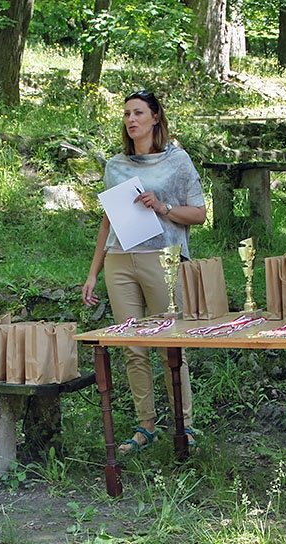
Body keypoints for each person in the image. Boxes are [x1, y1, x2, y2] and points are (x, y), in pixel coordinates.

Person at [82, 91, 207, 453]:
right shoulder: (115, 166)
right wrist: (93, 272)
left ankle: (185, 424)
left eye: (138, 113)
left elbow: (199, 214)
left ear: (155, 117)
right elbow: (107, 222)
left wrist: (163, 206)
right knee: (132, 346)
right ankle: (145, 426)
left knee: (171, 344)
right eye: (126, 114)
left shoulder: (178, 161)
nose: (131, 120)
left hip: (163, 259)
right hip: (120, 260)